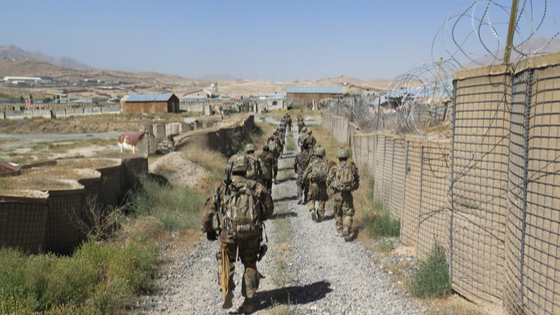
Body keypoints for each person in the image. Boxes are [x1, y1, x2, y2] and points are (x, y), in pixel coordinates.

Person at [201, 154, 274, 313]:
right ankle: (248, 302)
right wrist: (256, 220)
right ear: (247, 169)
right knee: (250, 265)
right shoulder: (257, 187)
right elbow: (269, 210)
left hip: (228, 234)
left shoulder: (222, 187)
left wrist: (208, 230)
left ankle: (226, 289)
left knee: (226, 262)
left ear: (231, 169)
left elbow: (209, 213)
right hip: (251, 235)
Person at [327, 148, 360, 241]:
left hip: (337, 195)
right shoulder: (352, 167)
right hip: (348, 194)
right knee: (348, 212)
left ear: (338, 157)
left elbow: (328, 180)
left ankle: (340, 230)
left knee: (338, 213)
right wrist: (354, 187)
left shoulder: (335, 168)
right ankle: (347, 227)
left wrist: (331, 186)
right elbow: (357, 180)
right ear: (347, 157)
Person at [301, 146, 329, 222]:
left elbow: (305, 173)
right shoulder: (326, 163)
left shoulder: (312, 164)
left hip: (313, 185)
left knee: (310, 199)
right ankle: (320, 216)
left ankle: (312, 210)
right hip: (323, 185)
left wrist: (303, 182)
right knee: (322, 200)